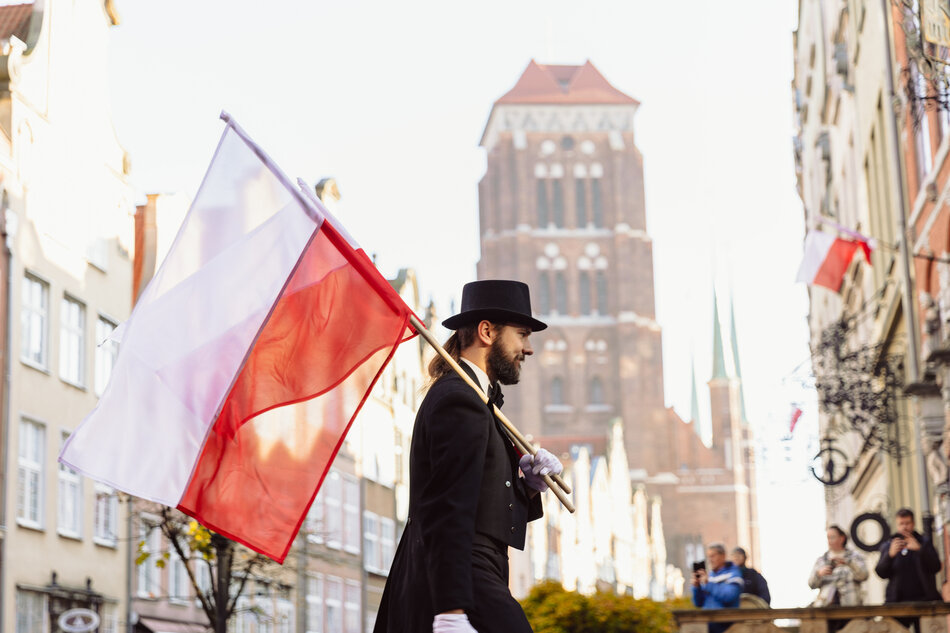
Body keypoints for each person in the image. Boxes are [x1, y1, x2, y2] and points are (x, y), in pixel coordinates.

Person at [374, 280, 563, 633]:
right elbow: (447, 509)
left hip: (476, 572)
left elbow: (481, 501)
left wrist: (528, 485)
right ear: (487, 331)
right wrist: (451, 610)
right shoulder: (459, 400)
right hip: (462, 576)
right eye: (522, 335)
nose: (528, 348)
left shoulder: (477, 399)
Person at [875, 508, 941, 631]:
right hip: (897, 603)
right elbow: (880, 573)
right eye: (901, 524)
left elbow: (936, 567)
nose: (904, 527)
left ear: (913, 523)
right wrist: (889, 555)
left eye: (907, 523)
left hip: (924, 602)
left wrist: (920, 550)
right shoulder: (889, 545)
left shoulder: (924, 542)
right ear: (897, 524)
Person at [808, 525, 868, 609]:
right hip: (825, 608)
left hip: (851, 606)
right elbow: (811, 584)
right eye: (828, 538)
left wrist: (849, 563)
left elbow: (864, 575)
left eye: (832, 537)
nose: (830, 541)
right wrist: (819, 574)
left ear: (842, 538)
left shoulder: (854, 557)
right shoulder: (822, 560)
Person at [692, 543, 744, 633]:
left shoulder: (734, 574)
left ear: (723, 556)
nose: (710, 560)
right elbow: (698, 603)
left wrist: (708, 584)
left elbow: (729, 596)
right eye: (708, 557)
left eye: (713, 556)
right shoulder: (710, 576)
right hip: (707, 625)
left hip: (726, 627)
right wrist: (697, 587)